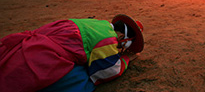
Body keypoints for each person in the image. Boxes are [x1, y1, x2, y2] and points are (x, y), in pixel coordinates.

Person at [0, 14, 144, 92]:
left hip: (33, 44)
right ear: (121, 37)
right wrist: (126, 58)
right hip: (44, 57)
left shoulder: (98, 24)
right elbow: (108, 71)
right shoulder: (108, 38)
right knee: (82, 77)